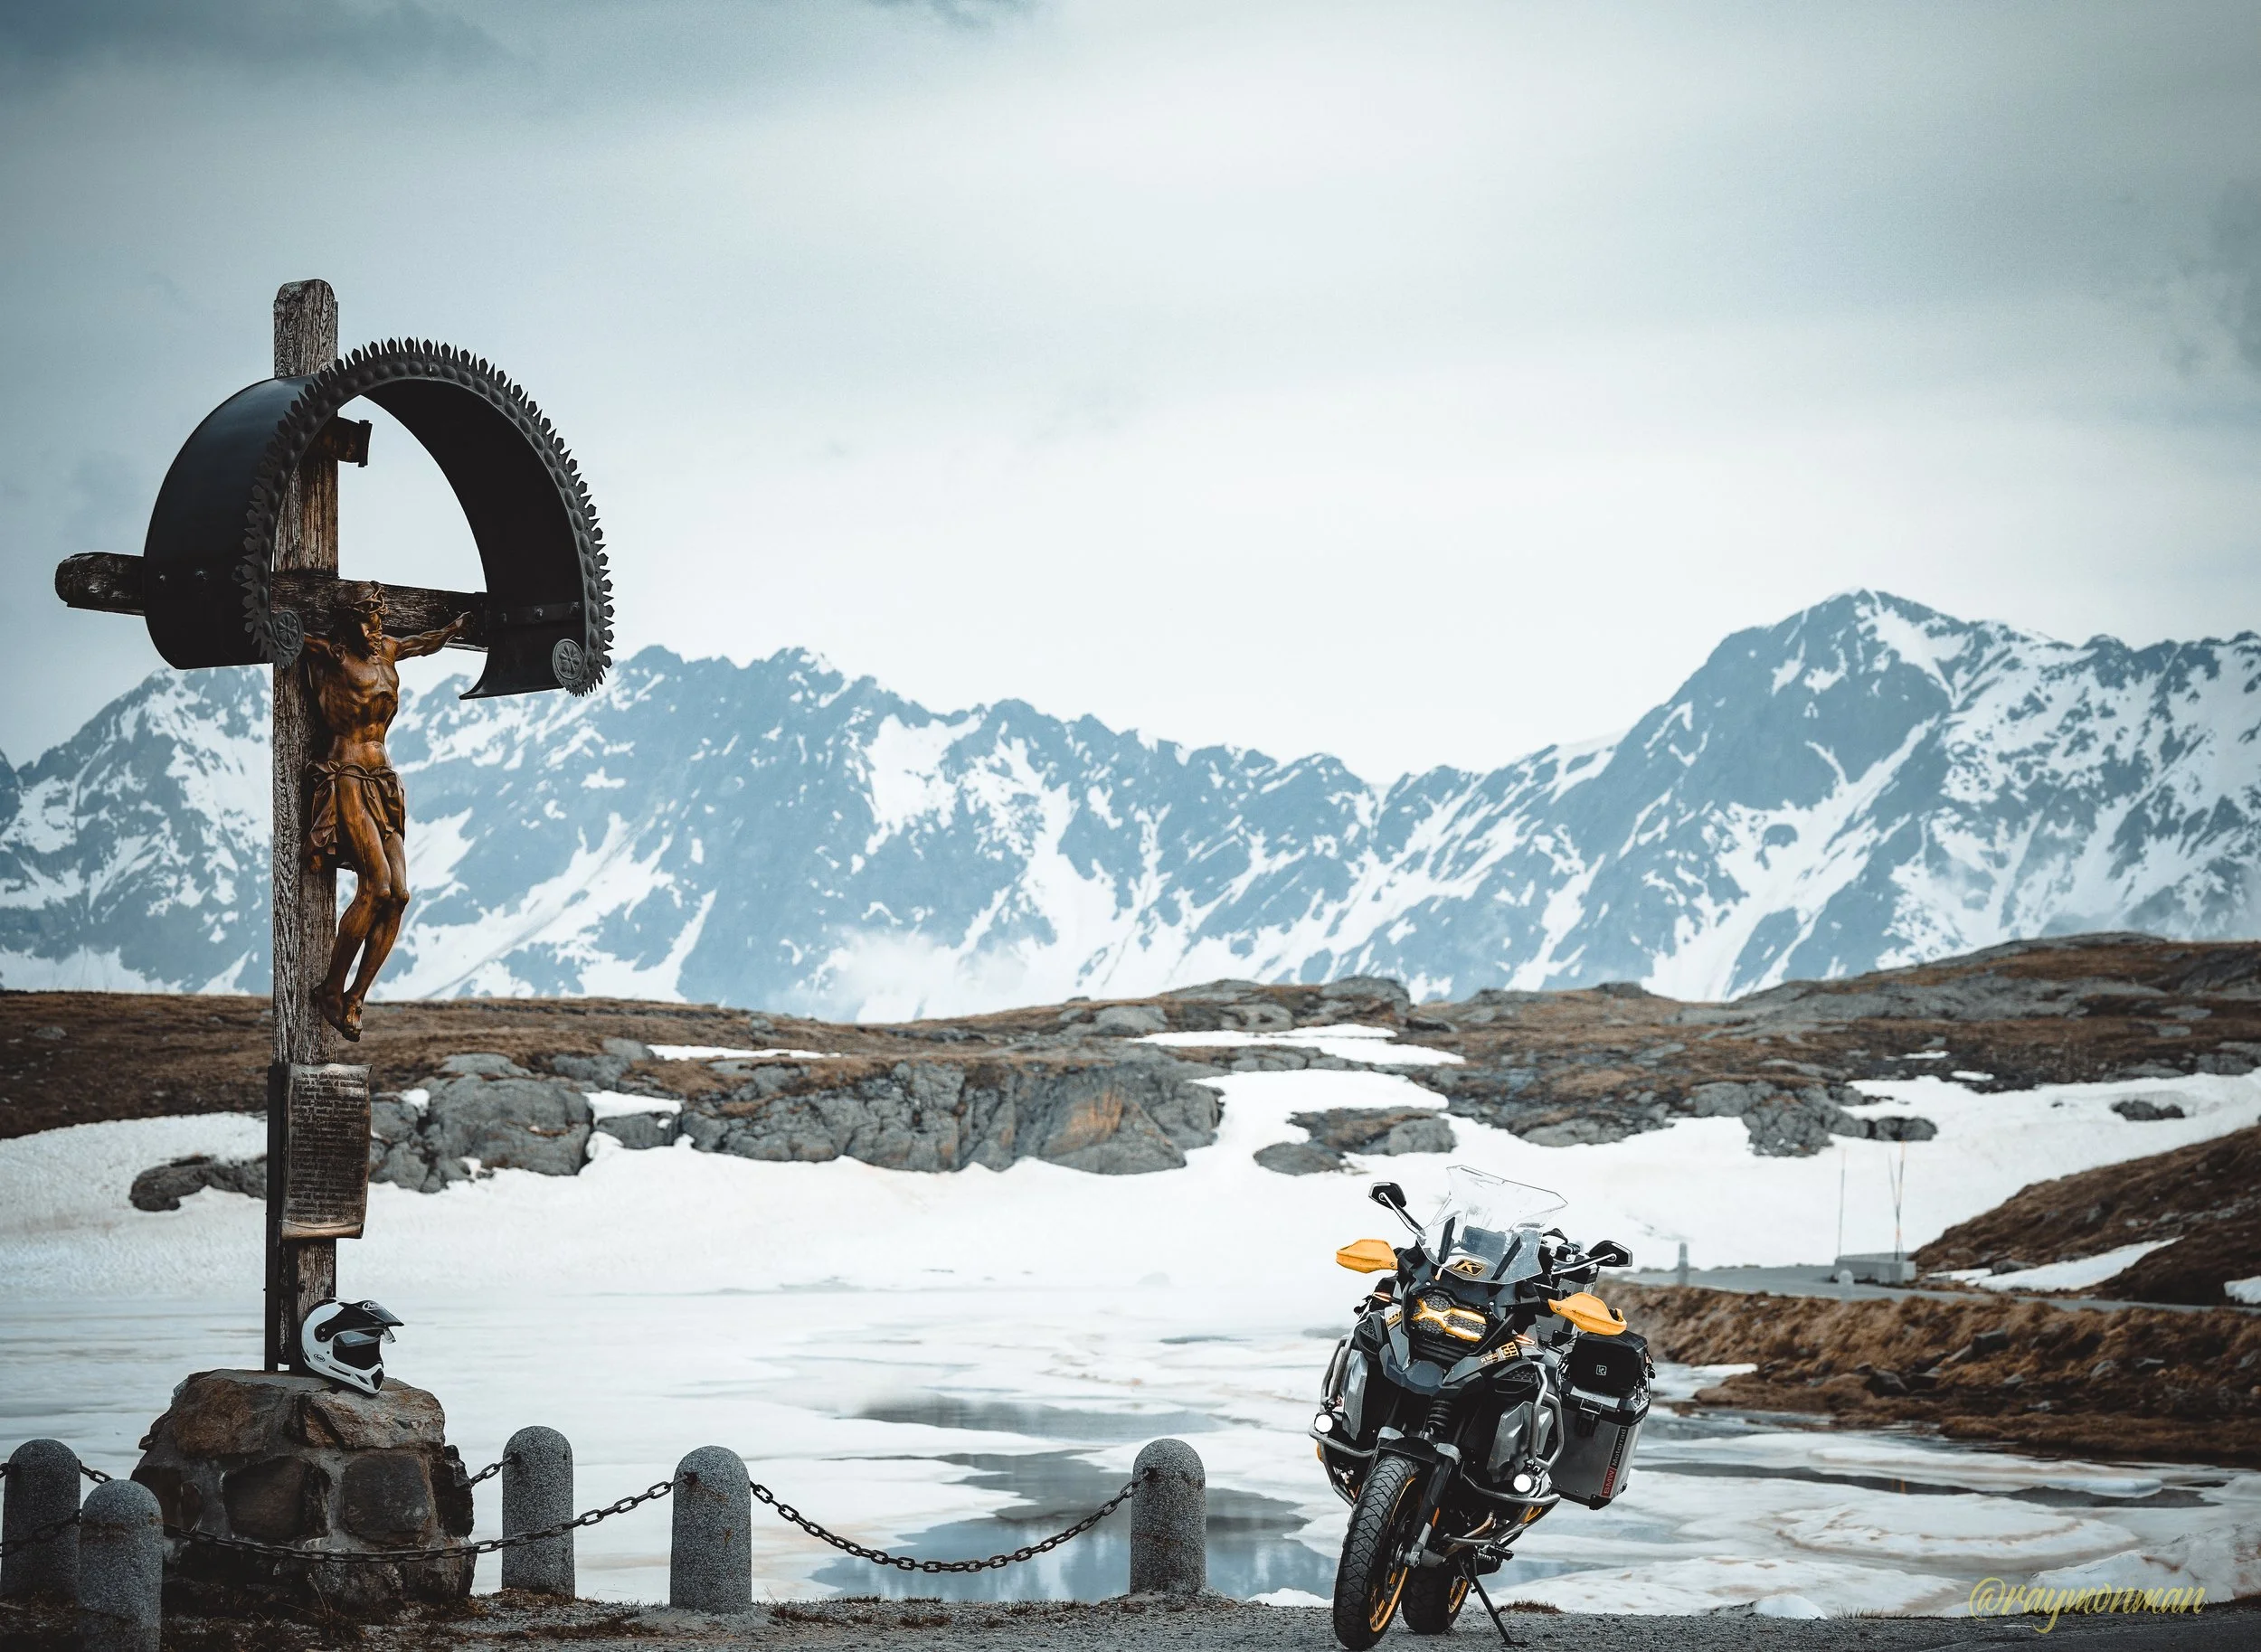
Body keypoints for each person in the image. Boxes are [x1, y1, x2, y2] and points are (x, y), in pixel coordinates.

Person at [300, 584, 471, 1040]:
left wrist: (456, 628)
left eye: (378, 618)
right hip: (349, 773)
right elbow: (284, 633)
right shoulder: (332, 655)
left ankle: (356, 995)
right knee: (375, 885)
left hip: (384, 779)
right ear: (347, 623)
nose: (375, 628)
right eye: (366, 620)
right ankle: (331, 990)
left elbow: (424, 642)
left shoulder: (389, 650)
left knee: (399, 894)